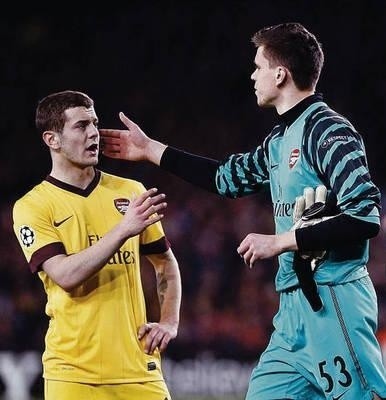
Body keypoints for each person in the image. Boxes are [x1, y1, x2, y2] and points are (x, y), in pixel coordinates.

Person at [100, 22, 386, 399]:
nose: (252, 75)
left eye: (258, 66)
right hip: (292, 316)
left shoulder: (328, 131)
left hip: (334, 302)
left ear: (280, 73)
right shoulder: (279, 139)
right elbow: (225, 179)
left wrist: (282, 241)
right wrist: (151, 150)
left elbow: (365, 216)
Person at [12, 90, 182, 400]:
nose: (94, 133)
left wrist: (170, 322)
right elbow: (64, 275)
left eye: (95, 122)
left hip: (138, 368)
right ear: (52, 139)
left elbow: (165, 263)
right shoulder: (33, 206)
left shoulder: (130, 191)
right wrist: (122, 230)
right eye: (80, 126)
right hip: (72, 374)